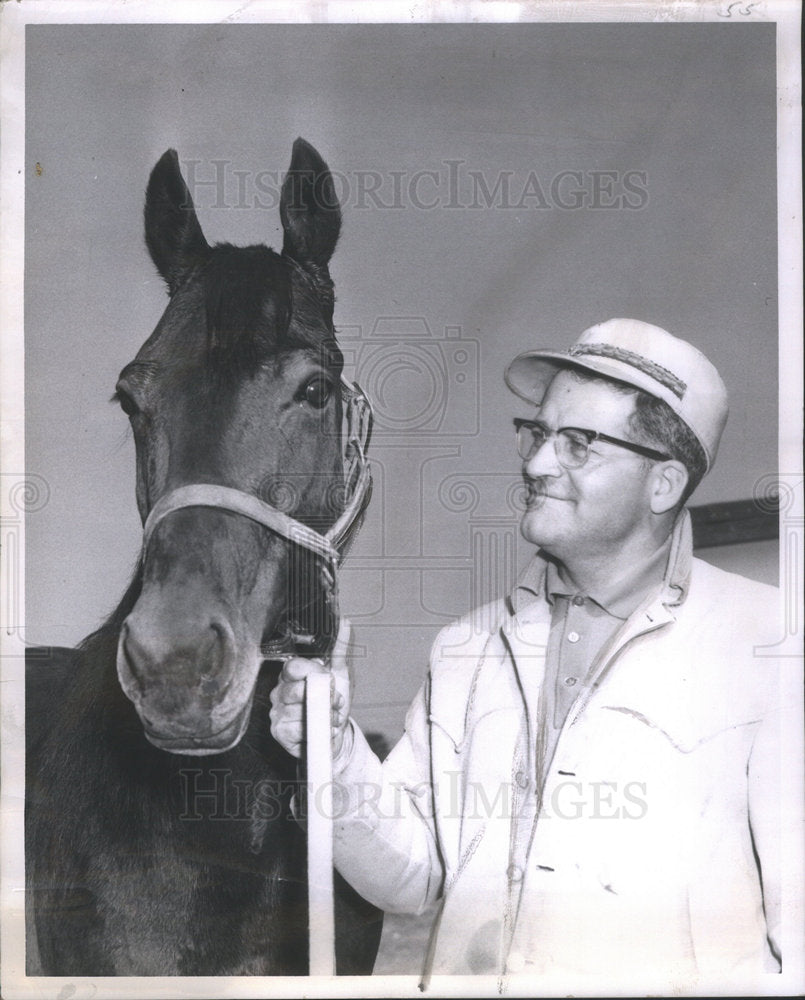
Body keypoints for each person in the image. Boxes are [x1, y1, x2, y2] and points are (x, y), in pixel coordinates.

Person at [270, 318, 781, 982]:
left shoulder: (770, 644)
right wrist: (331, 750)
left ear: (663, 483)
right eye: (538, 433)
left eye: (578, 444)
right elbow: (407, 879)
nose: (535, 462)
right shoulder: (466, 649)